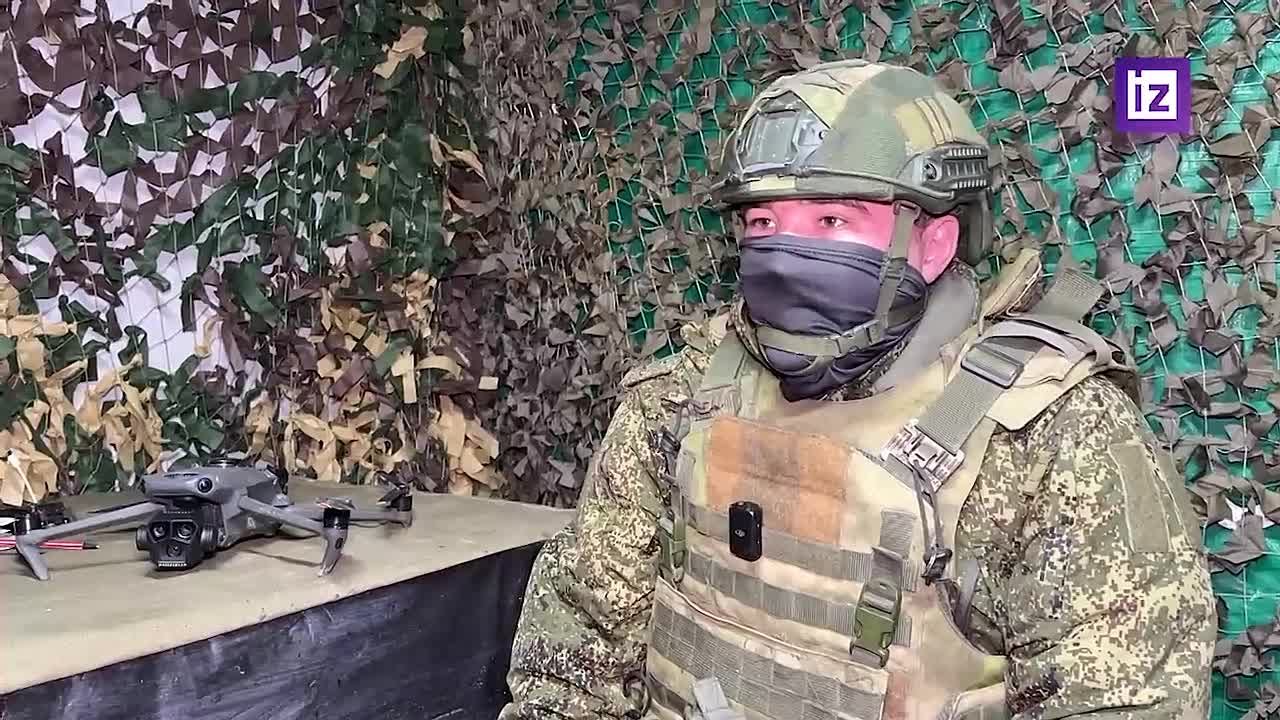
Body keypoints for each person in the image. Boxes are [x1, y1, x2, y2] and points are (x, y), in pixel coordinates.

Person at [498, 59, 1216, 720]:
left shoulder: (1054, 437)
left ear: (934, 243)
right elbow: (574, 657)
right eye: (763, 222)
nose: (785, 255)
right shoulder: (682, 398)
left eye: (833, 219)